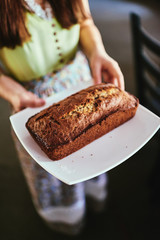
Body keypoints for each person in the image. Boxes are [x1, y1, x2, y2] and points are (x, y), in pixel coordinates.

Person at [0, 0, 124, 235]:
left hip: (80, 81)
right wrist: (9, 89)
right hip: (31, 100)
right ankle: (67, 219)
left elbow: (85, 22)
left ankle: (94, 197)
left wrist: (97, 51)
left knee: (91, 150)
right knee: (50, 170)